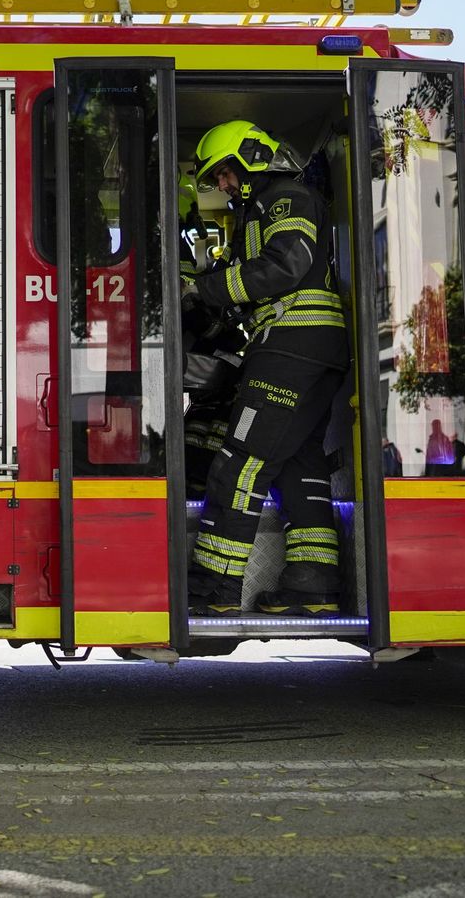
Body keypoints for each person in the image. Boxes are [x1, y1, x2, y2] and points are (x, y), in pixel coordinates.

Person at [183, 120, 349, 616]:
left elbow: (286, 267)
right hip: (311, 349)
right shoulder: (262, 208)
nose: (224, 186)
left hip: (292, 345)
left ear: (252, 155)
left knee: (240, 462)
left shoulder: (286, 198)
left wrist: (201, 290)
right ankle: (312, 582)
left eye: (225, 173)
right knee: (298, 466)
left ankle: (213, 588)